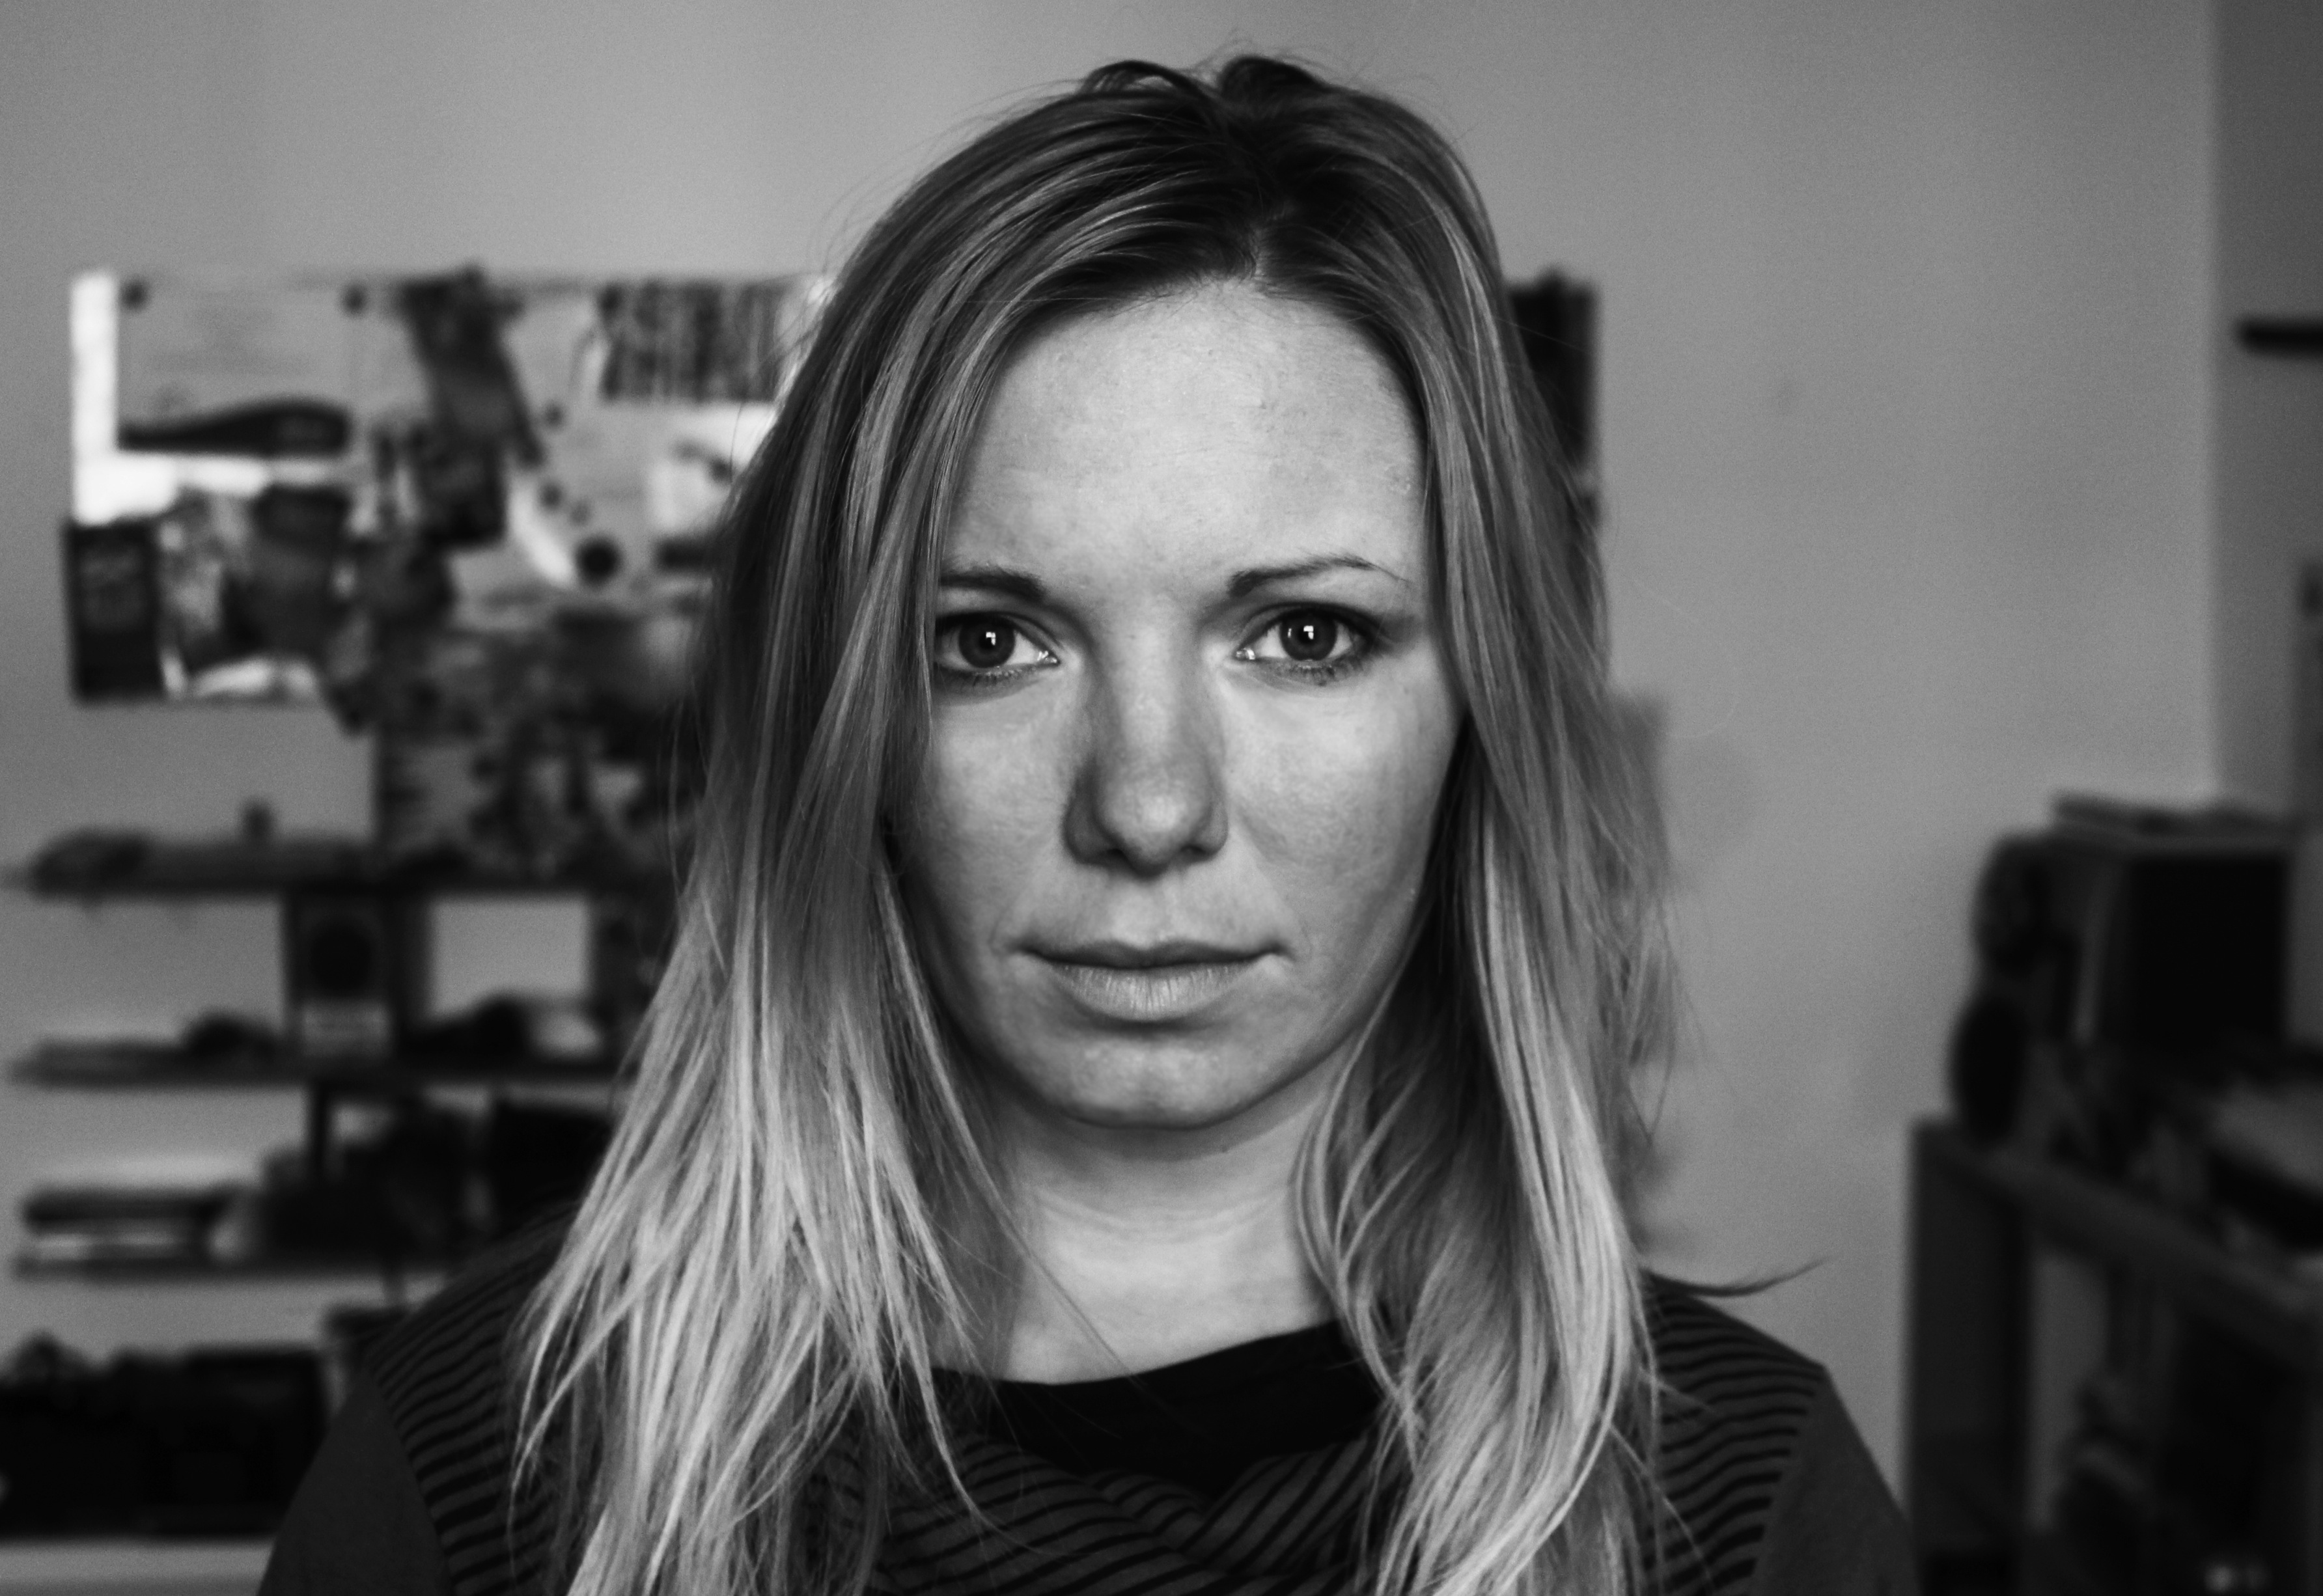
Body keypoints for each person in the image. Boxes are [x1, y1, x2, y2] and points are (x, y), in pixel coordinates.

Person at [261, 55, 1913, 1596]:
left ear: (1477, 710)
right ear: (844, 733)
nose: (1145, 805)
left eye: (1304, 635)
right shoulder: (486, 1470)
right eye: (989, 641)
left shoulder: (1734, 1510)